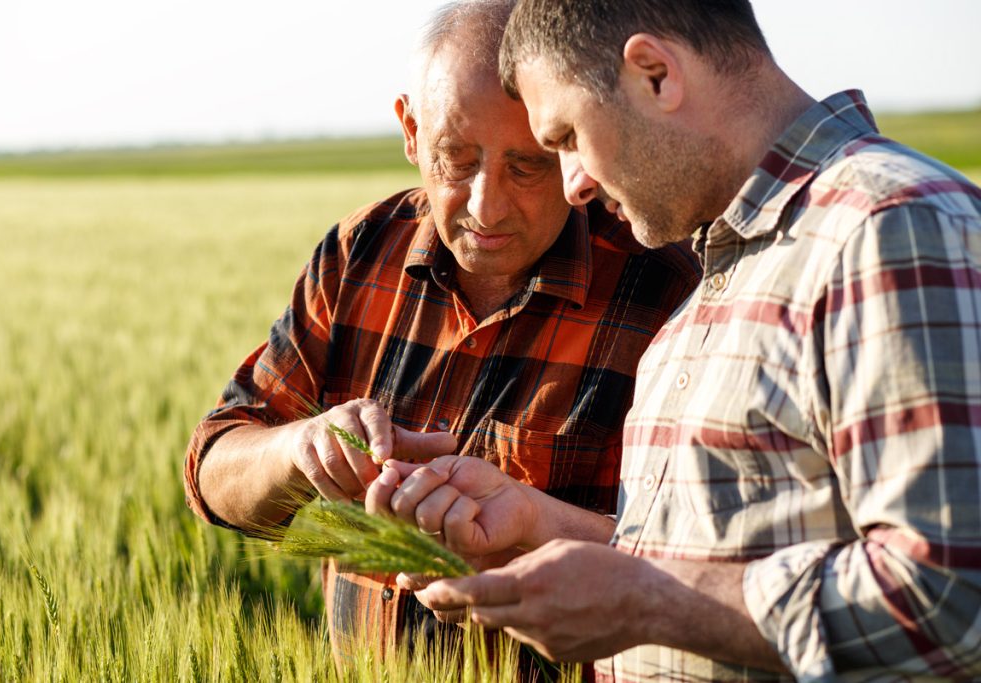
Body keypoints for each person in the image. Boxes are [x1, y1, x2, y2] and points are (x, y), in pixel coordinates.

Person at [373, 0, 981, 680]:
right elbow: (719, 562)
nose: (574, 186)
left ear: (655, 74)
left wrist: (651, 604)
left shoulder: (888, 229)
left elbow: (953, 598)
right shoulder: (713, 277)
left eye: (568, 137)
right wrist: (538, 526)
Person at [182, 0, 700, 668]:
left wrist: (528, 530)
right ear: (409, 129)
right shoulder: (358, 254)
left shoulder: (660, 291)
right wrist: (298, 449)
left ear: (572, 148)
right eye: (456, 157)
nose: (487, 204)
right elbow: (212, 474)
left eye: (527, 165)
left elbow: (705, 568)